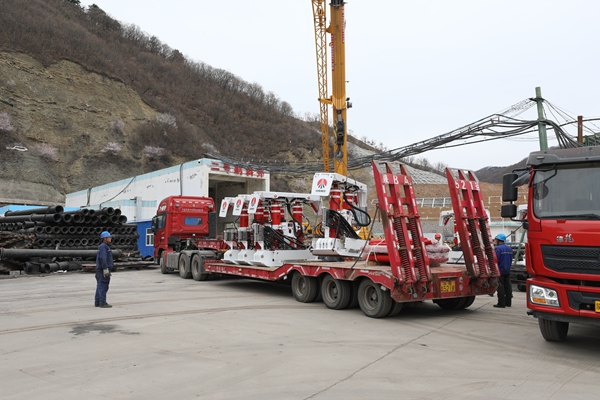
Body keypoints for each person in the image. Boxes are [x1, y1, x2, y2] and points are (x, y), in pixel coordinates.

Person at [493, 233, 513, 308]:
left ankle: (501, 303)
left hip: (500, 270)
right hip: (507, 270)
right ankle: (508, 302)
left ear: (498, 240)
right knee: (508, 287)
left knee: (500, 287)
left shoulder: (498, 249)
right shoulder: (509, 249)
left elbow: (495, 260)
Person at [95, 231, 114, 308]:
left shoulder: (105, 246)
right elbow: (103, 258)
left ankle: (97, 302)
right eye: (109, 237)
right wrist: (105, 268)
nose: (110, 238)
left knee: (100, 286)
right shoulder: (104, 247)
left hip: (100, 269)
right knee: (103, 285)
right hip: (102, 269)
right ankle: (102, 303)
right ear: (105, 238)